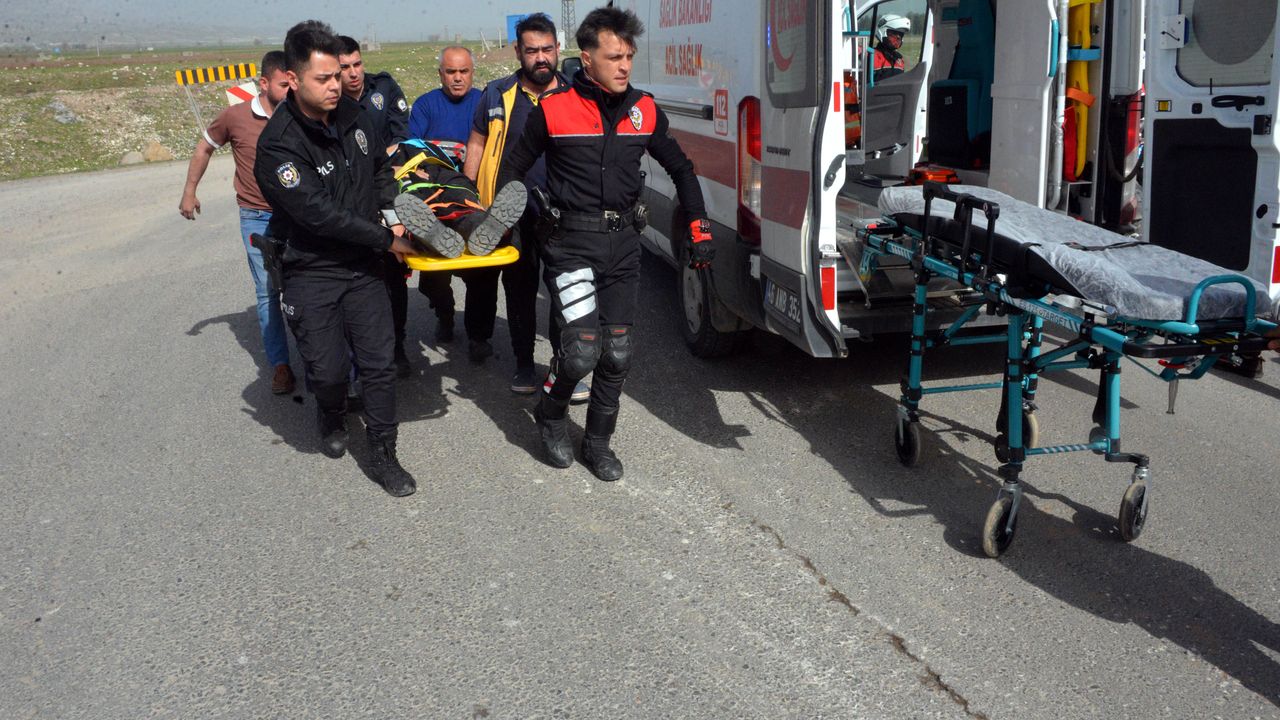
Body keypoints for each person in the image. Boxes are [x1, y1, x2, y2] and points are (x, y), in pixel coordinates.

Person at [496, 6, 713, 481]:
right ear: (587, 58)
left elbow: (681, 169)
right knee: (580, 352)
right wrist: (510, 219)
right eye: (614, 57)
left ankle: (597, 443)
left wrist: (699, 225)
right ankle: (550, 413)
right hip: (569, 246)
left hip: (623, 247)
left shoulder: (644, 110)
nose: (624, 66)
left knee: (618, 353)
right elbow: (512, 169)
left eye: (629, 56)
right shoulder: (552, 109)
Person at [254, 20, 419, 497]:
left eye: (338, 75)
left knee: (379, 364)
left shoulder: (354, 115)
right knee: (327, 372)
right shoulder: (278, 145)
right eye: (323, 78)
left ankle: (384, 452)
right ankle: (330, 411)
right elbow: (319, 215)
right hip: (313, 268)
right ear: (292, 79)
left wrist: (394, 214)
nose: (336, 85)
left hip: (364, 267)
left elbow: (380, 170)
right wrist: (386, 240)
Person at [464, 12, 588, 400]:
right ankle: (523, 363)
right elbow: (477, 144)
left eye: (547, 49)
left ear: (558, 48)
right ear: (518, 51)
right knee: (519, 291)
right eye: (532, 50)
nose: (541, 58)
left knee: (565, 292)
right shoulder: (496, 94)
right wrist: (468, 196)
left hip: (564, 213)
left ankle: (563, 367)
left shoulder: (575, 94)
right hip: (512, 212)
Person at [179, 51, 296, 395]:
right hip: (256, 216)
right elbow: (204, 148)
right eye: (283, 85)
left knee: (307, 284)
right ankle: (281, 366)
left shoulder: (299, 114)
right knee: (267, 291)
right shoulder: (235, 116)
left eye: (293, 84)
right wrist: (189, 192)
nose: (290, 91)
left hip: (297, 216)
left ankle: (320, 358)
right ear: (264, 83)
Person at [406, 46, 498, 360]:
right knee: (433, 279)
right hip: (434, 202)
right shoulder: (425, 105)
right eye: (451, 72)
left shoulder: (484, 104)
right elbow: (411, 151)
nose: (457, 78)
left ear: (473, 73)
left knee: (482, 274)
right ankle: (444, 312)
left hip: (471, 198)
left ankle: (478, 337)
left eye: (463, 71)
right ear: (440, 74)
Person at [336, 34, 417, 377]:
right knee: (355, 280)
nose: (353, 73)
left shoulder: (383, 88)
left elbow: (401, 136)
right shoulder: (330, 103)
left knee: (394, 277)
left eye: (357, 64)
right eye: (345, 67)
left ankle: (397, 347)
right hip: (351, 201)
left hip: (387, 189)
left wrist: (379, 163)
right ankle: (354, 357)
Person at [873, 14, 910, 83]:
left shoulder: (899, 60)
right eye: (894, 34)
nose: (898, 38)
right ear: (883, 32)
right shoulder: (871, 56)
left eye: (901, 35)